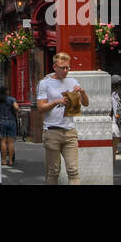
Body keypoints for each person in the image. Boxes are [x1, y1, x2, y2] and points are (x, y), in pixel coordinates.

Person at [36, 52, 88, 185]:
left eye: (67, 68)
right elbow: (40, 108)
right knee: (53, 171)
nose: (65, 71)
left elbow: (86, 103)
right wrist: (57, 101)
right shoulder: (45, 83)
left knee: (73, 170)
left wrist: (82, 92)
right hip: (52, 131)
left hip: (70, 131)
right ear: (54, 67)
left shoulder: (72, 81)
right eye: (62, 68)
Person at [0, 84, 21, 166]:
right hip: (11, 121)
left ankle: (4, 160)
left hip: (1, 122)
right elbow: (17, 107)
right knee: (10, 142)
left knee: (3, 141)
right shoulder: (11, 99)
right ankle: (10, 160)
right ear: (6, 91)